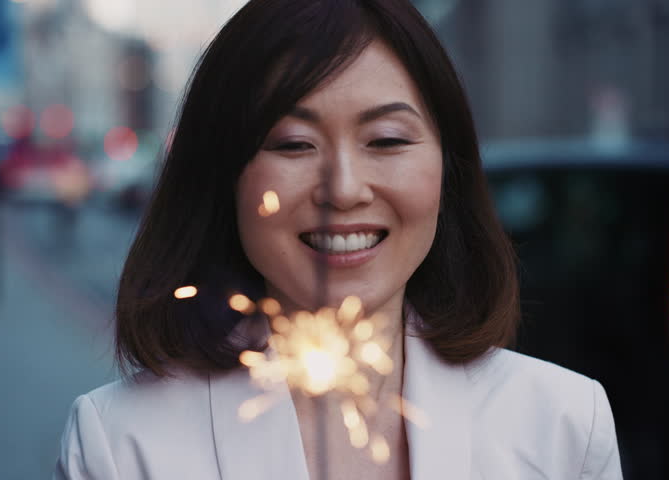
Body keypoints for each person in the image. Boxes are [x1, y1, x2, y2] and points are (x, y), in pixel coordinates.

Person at [54, 1, 623, 479]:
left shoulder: (564, 426)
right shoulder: (121, 444)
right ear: (222, 177)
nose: (344, 189)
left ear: (448, 169)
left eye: (387, 140)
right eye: (294, 144)